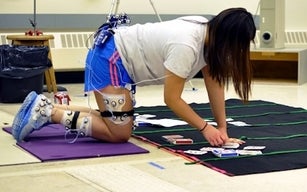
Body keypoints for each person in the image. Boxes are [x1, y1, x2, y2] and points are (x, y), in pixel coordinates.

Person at [11, 7, 256, 146]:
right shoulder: (187, 45)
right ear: (228, 40)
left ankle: (51, 104)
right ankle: (48, 113)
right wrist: (205, 128)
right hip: (109, 60)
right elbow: (172, 99)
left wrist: (222, 127)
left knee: (115, 120)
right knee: (118, 133)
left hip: (116, 59)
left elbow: (215, 86)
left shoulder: (207, 33)